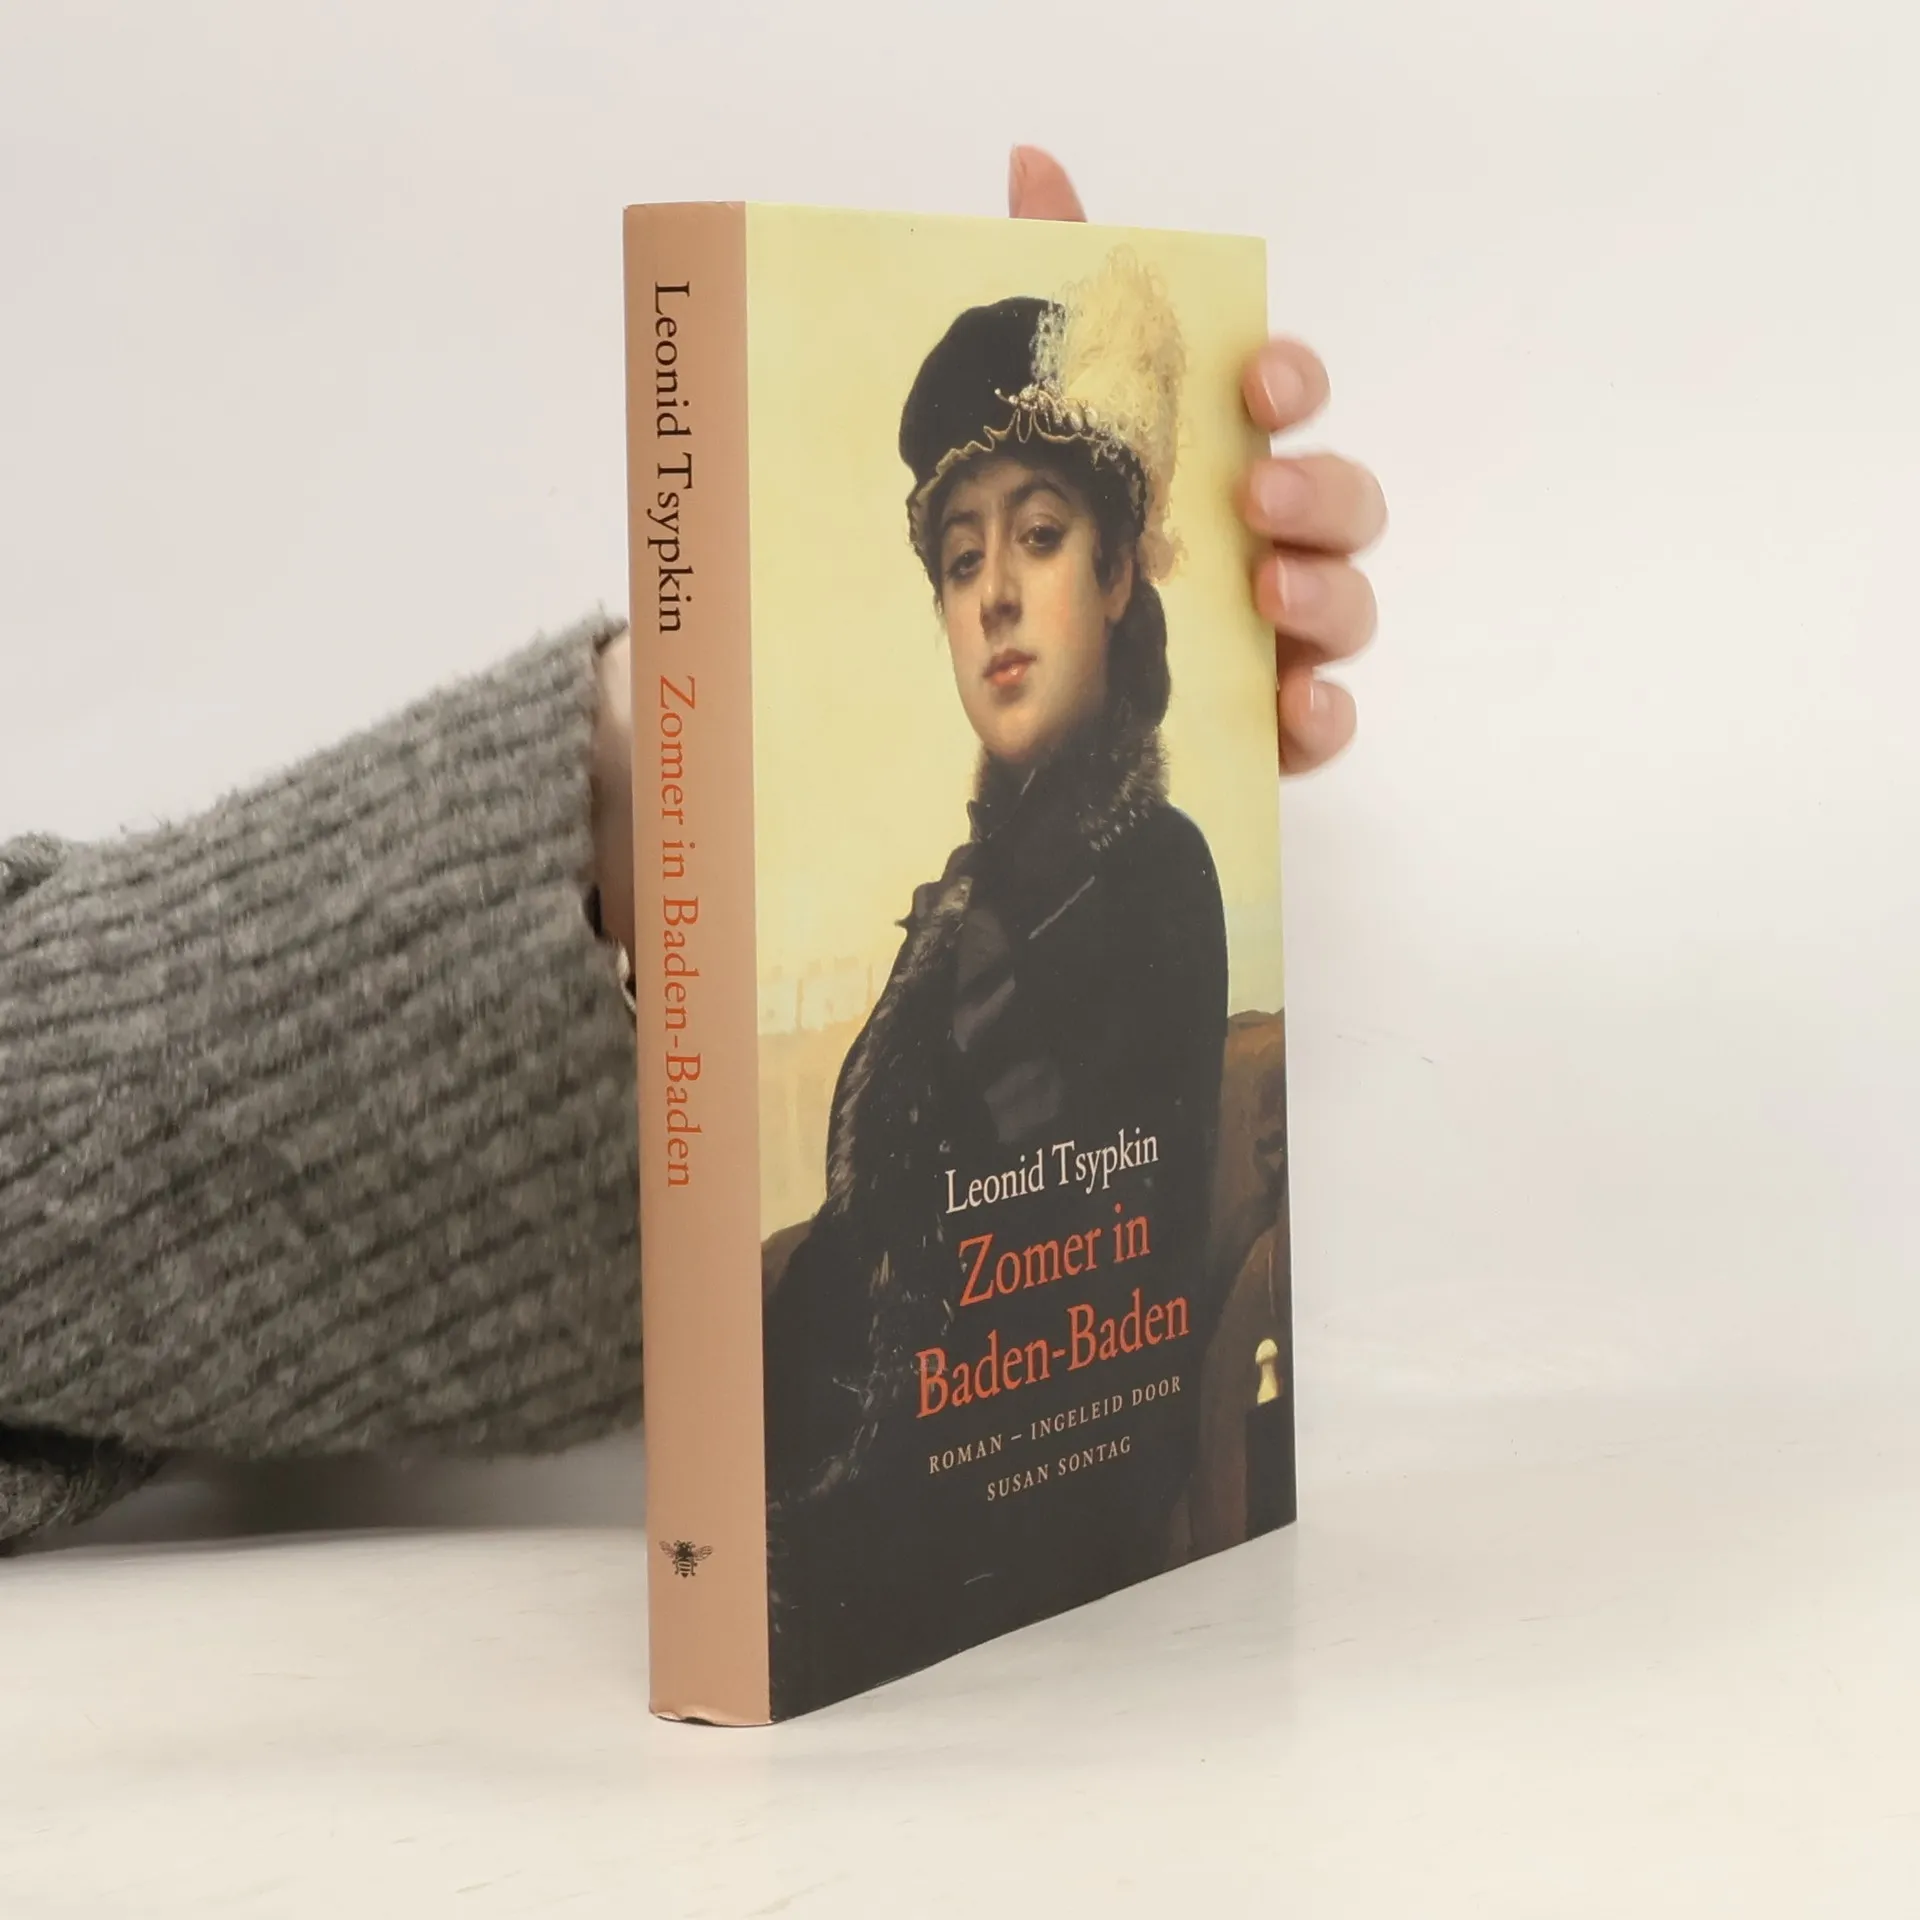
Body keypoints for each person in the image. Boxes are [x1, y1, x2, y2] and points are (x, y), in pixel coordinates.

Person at [0, 150, 1386, 1552]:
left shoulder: (1144, 878)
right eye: (963, 560)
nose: (996, 598)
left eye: (1039, 535)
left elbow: (1051, 1344)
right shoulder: (967, 902)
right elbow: (865, 1264)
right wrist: (633, 824)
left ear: (1118, 572)